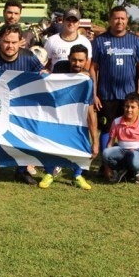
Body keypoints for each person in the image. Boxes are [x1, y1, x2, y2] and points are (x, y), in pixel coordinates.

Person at [0, 24, 45, 189]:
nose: (10, 46)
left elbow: (43, 75)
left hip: (20, 107)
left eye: (14, 42)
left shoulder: (28, 57)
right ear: (0, 41)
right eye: (6, 41)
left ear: (20, 41)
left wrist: (45, 74)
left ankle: (22, 170)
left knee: (22, 136)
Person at [90, 6, 139, 175]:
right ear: (110, 20)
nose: (119, 21)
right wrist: (94, 93)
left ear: (127, 20)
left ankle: (125, 164)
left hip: (128, 97)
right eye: (116, 18)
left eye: (123, 18)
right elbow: (93, 68)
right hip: (106, 95)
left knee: (127, 130)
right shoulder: (100, 41)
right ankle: (106, 164)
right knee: (107, 130)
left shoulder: (135, 41)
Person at [39, 44, 99, 190]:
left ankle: (77, 175)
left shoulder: (87, 81)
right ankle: (49, 173)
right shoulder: (59, 67)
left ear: (86, 61)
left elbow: (91, 113)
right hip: (56, 115)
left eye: (81, 60)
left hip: (76, 120)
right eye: (74, 60)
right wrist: (45, 74)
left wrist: (95, 141)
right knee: (49, 143)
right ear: (68, 58)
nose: (77, 64)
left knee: (81, 144)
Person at [101, 92, 139, 184]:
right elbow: (110, 143)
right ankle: (122, 170)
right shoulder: (116, 122)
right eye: (127, 106)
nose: (129, 110)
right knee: (106, 153)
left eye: (133, 107)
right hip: (122, 151)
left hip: (136, 153)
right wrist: (107, 167)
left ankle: (138, 172)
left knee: (134, 159)